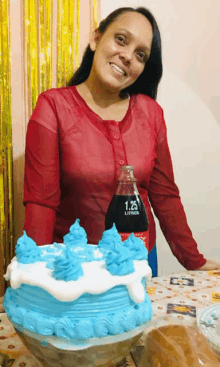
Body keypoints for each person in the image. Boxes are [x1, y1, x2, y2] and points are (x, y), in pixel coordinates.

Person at [23, 6, 220, 276]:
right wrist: (34, 275)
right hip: (75, 269)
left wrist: (193, 260)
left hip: (140, 262)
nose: (127, 56)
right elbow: (41, 203)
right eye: (121, 39)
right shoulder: (53, 107)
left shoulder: (150, 113)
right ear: (96, 39)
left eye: (140, 55)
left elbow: (165, 196)